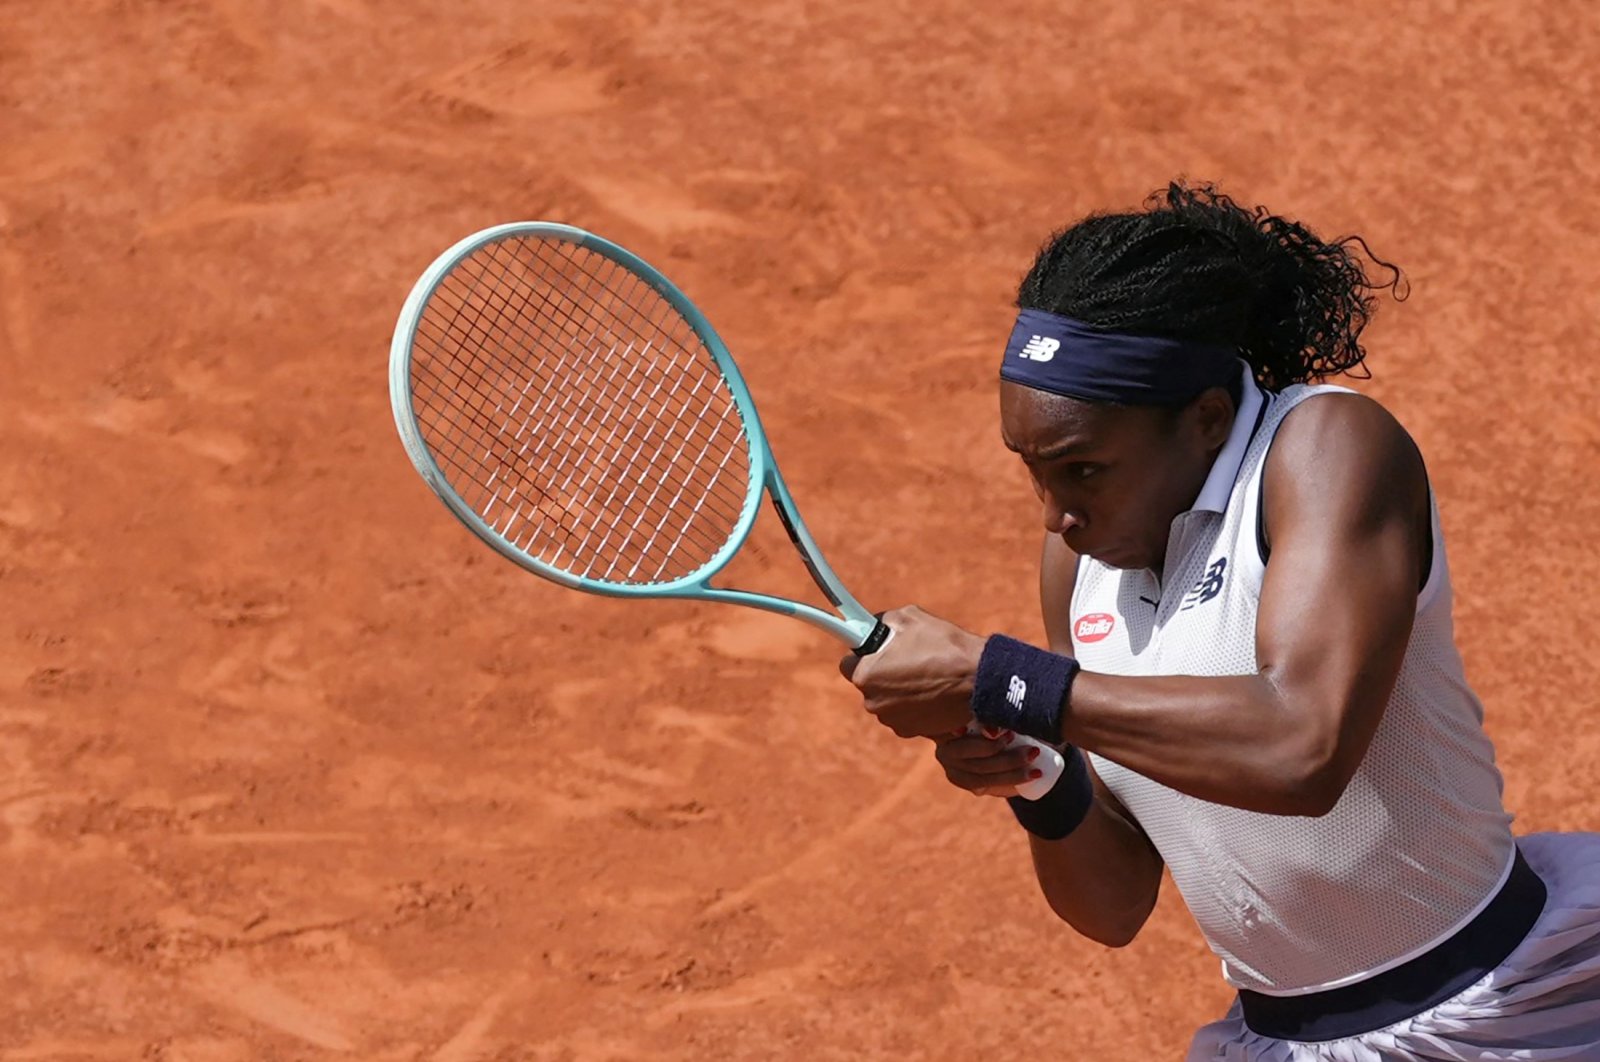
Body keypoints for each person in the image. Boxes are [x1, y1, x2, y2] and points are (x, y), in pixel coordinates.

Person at [840, 182, 1600, 1060]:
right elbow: (1115, 903)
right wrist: (1035, 776)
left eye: (1083, 470)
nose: (1055, 516)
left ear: (1206, 420)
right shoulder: (1079, 568)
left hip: (1508, 1012)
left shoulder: (1325, 451)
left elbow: (1300, 749)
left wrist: (1006, 679)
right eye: (1033, 471)